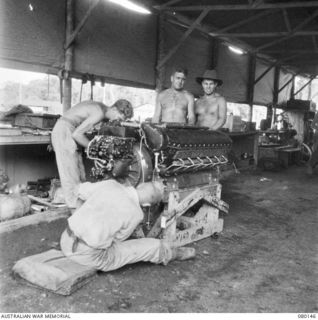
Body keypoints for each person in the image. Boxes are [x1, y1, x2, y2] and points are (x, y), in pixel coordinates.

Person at [60, 179, 196, 272]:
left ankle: (169, 249)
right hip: (87, 255)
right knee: (150, 246)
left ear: (139, 186)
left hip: (65, 239)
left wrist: (83, 218)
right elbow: (117, 241)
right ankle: (172, 253)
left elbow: (79, 190)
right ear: (147, 205)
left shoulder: (111, 184)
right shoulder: (136, 214)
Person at [51, 100, 133, 211]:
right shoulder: (99, 112)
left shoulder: (103, 110)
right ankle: (75, 218)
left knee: (80, 176)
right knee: (71, 179)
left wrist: (95, 153)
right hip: (65, 131)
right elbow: (77, 134)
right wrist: (95, 151)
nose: (117, 122)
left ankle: (81, 212)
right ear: (114, 109)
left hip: (68, 130)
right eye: (118, 118)